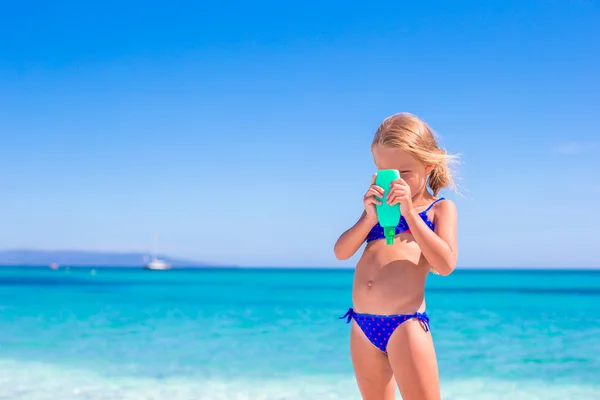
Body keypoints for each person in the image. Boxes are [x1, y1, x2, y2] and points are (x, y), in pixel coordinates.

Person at [334, 113, 459, 400]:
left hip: (405, 325)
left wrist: (411, 214)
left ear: (429, 164)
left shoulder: (439, 210)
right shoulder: (377, 211)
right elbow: (341, 252)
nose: (396, 181)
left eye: (405, 173)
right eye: (386, 173)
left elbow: (445, 264)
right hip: (362, 325)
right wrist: (368, 218)